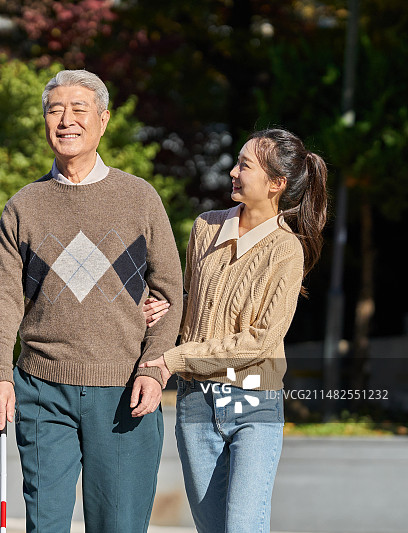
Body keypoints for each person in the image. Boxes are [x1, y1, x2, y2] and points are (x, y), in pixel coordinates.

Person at [0, 69, 183, 533]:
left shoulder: (140, 198)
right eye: (55, 110)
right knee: (45, 525)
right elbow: (3, 301)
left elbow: (171, 295)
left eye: (79, 109)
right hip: (40, 389)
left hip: (124, 392)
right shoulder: (23, 205)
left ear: (104, 120)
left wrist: (155, 369)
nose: (66, 120)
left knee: (119, 526)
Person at [141, 128, 328, 533]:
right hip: (196, 402)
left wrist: (176, 357)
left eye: (245, 165)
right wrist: (170, 308)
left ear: (276, 184)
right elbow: (199, 301)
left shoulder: (286, 250)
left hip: (254, 403)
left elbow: (260, 340)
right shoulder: (205, 228)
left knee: (243, 526)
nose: (232, 171)